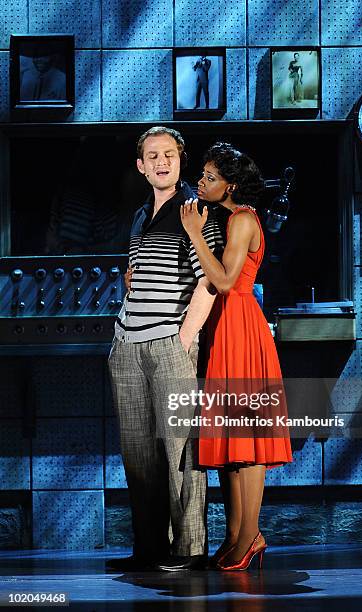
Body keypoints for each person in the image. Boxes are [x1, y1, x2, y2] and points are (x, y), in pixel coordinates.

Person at [107, 127, 224, 572]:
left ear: (181, 161)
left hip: (169, 344)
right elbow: (136, 273)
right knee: (138, 456)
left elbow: (208, 283)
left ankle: (189, 549)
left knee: (180, 451)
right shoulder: (139, 216)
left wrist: (183, 341)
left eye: (169, 154)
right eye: (152, 156)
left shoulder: (194, 210)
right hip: (127, 344)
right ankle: (150, 546)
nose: (161, 161)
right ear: (141, 166)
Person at [180, 142, 293, 571]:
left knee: (249, 437)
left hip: (241, 326)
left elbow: (226, 280)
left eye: (210, 177)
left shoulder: (243, 219)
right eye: (203, 175)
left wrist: (193, 232)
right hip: (225, 328)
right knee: (230, 439)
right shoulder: (233, 219)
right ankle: (236, 537)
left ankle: (250, 537)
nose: (202, 183)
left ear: (230, 184)